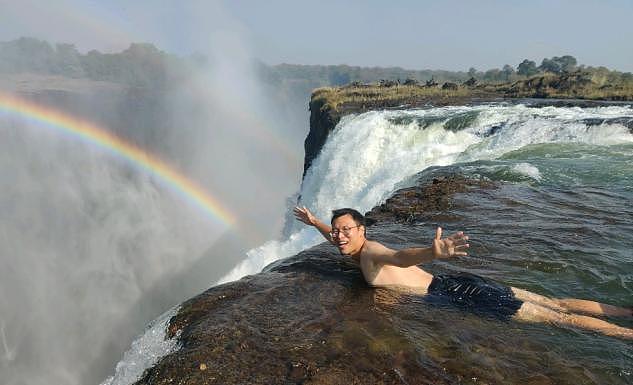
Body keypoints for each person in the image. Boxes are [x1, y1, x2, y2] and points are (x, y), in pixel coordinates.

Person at [294, 206, 633, 340]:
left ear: (362, 230)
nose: (338, 235)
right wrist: (316, 224)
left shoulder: (370, 252)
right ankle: (626, 313)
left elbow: (399, 257)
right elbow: (337, 237)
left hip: (452, 294)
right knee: (554, 302)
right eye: (336, 231)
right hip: (457, 283)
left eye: (345, 230)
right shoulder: (353, 243)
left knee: (559, 320)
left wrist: (431, 252)